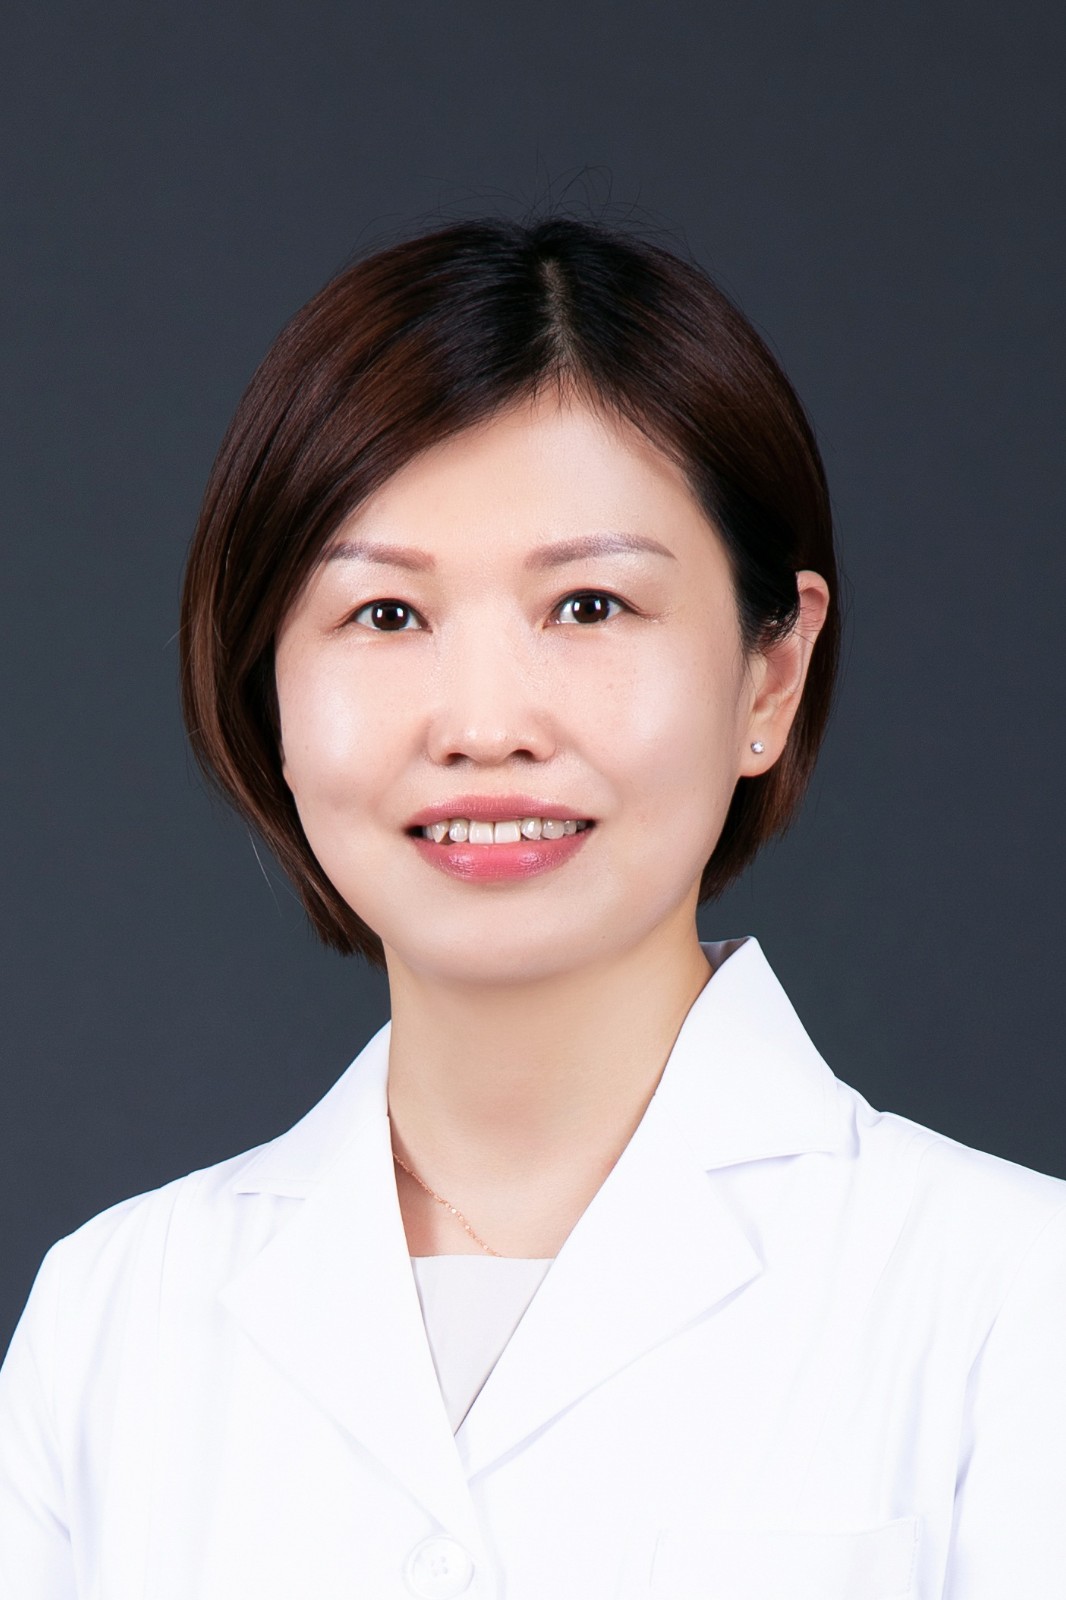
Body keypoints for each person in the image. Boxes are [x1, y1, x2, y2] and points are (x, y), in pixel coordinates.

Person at [0, 215, 1063, 1600]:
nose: (485, 724)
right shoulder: (113, 1324)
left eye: (589, 606)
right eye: (386, 616)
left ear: (770, 674)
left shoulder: (1011, 1302)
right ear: (267, 689)